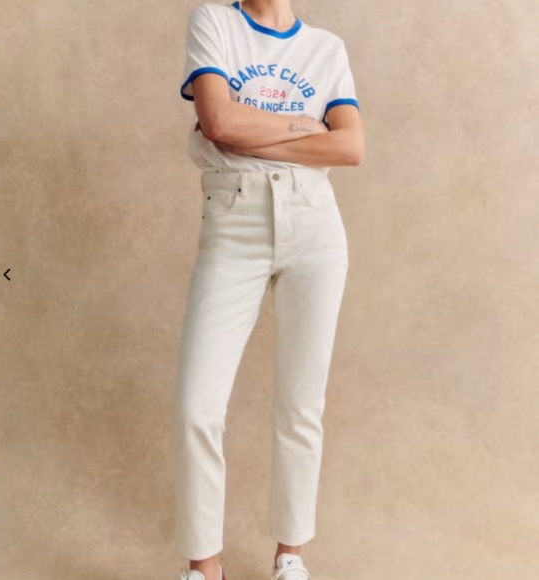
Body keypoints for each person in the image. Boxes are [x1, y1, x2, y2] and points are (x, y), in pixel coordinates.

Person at [173, 1, 365, 579]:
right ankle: (205, 567)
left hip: (315, 226)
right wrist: (309, 128)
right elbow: (218, 123)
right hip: (234, 220)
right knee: (197, 407)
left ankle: (290, 555)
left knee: (301, 403)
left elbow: (350, 147)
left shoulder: (326, 48)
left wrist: (253, 130)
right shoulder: (214, 23)